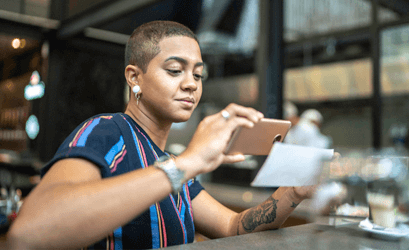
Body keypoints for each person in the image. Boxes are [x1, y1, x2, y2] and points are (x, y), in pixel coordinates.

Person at [7, 21, 340, 249]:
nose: (191, 83)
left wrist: (293, 192)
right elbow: (28, 233)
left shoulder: (166, 162)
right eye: (175, 70)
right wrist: (188, 162)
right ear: (134, 78)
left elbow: (232, 227)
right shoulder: (107, 131)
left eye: (198, 73)